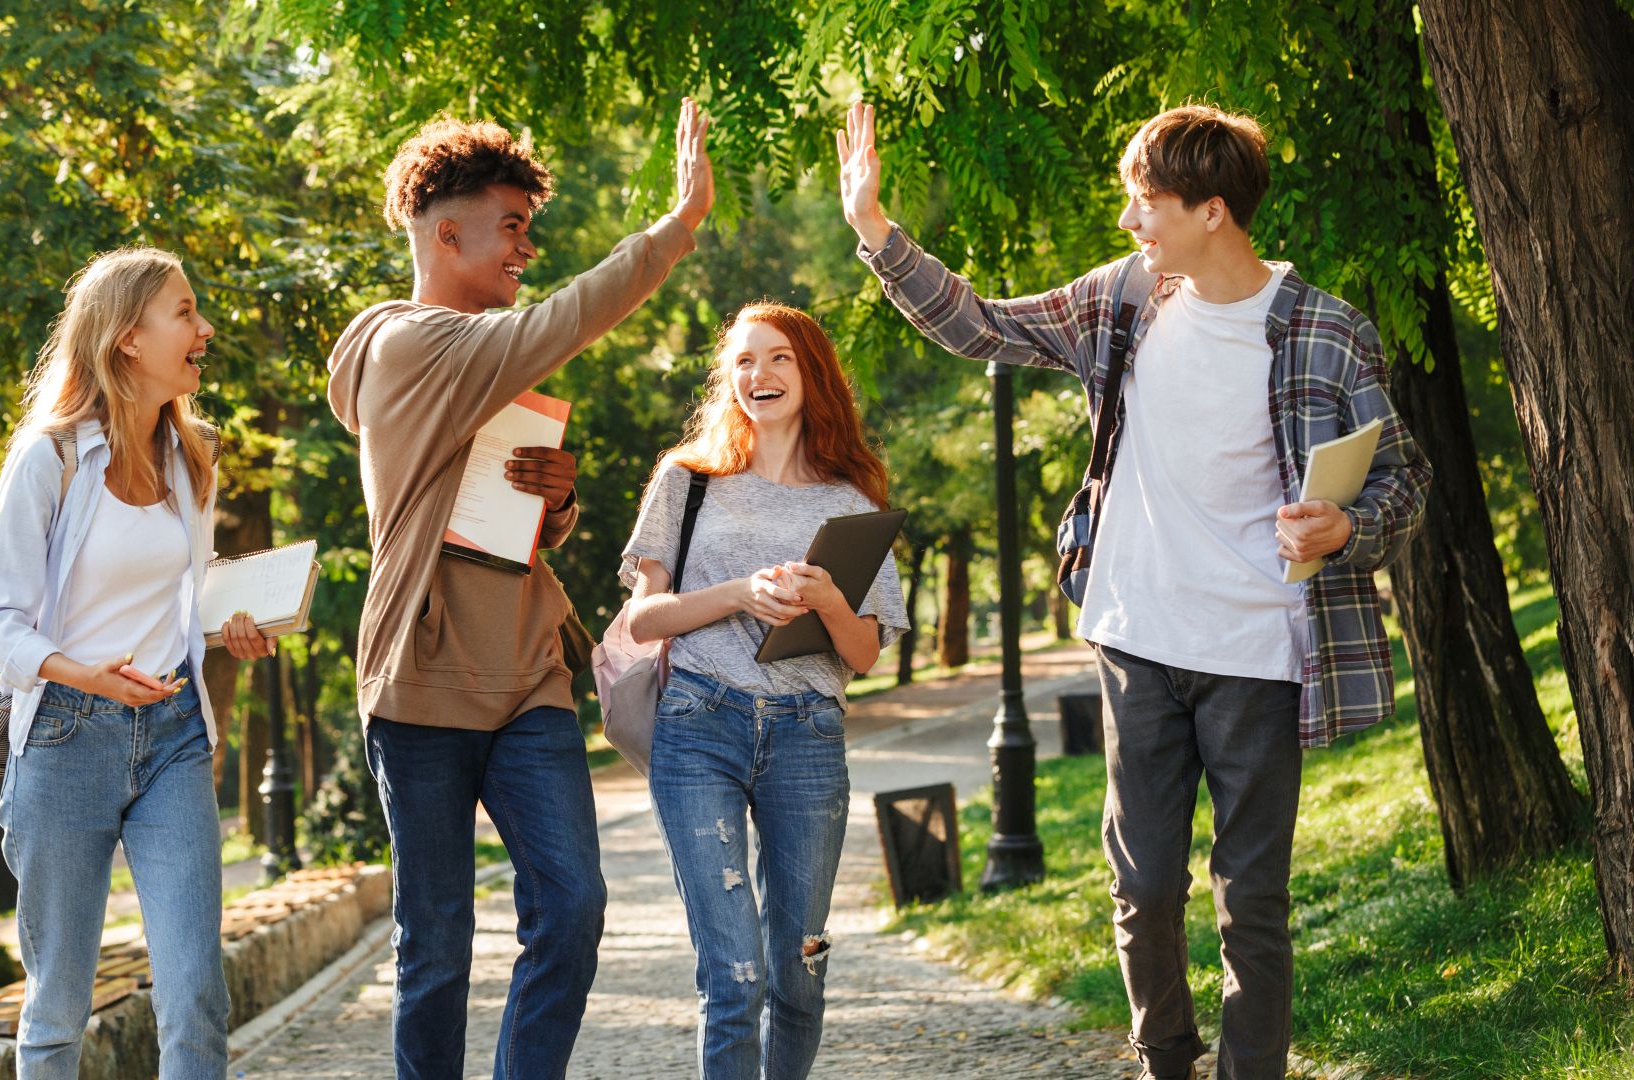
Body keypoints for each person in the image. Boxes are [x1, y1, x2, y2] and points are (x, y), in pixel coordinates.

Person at [836, 102, 1430, 1080]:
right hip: (1137, 639)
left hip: (1258, 654)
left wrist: (1347, 527)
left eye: (1145, 203)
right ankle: (1164, 1059)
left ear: (1211, 209)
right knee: (1145, 884)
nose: (1128, 224)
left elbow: (1402, 484)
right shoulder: (1126, 301)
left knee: (1253, 898)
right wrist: (877, 231)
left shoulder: (1326, 332)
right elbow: (983, 327)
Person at [323, 99, 714, 1079]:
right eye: (510, 228)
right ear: (446, 233)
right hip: (423, 683)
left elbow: (503, 524)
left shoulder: (479, 363)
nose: (524, 250)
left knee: (573, 908)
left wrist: (560, 499)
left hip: (528, 676)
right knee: (437, 950)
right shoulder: (413, 346)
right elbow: (563, 319)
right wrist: (674, 230)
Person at [0, 247, 275, 1080]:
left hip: (173, 731)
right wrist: (85, 674)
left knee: (195, 992)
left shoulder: (192, 457)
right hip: (67, 738)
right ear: (129, 337)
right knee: (60, 1004)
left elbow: (180, 607)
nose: (204, 328)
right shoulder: (51, 457)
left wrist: (230, 629)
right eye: (185, 312)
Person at [619, 302, 910, 1078]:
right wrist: (740, 593)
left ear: (812, 374)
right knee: (734, 975)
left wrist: (827, 601)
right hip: (698, 723)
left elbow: (867, 655)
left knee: (799, 970)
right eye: (744, 361)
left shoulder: (851, 500)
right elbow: (643, 620)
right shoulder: (688, 481)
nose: (760, 375)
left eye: (779, 358)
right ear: (728, 378)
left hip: (808, 734)